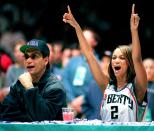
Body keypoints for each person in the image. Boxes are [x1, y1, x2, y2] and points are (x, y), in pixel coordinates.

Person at [63, 4, 147, 122]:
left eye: (122, 58)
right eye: (114, 57)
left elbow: (137, 59)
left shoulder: (137, 89)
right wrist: (76, 27)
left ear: (129, 63)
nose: (116, 60)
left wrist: (134, 30)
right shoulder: (106, 86)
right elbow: (89, 56)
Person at [0, 39, 67, 122]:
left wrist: (30, 88)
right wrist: (29, 116)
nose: (28, 60)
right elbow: (5, 113)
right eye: (26, 57)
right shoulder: (20, 84)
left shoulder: (55, 87)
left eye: (34, 56)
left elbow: (43, 120)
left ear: (45, 60)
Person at [62, 27, 100, 119]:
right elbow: (64, 80)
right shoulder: (72, 61)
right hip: (71, 105)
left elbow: (99, 85)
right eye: (81, 37)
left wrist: (83, 99)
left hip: (90, 105)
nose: (82, 40)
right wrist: (72, 100)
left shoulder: (100, 63)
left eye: (85, 38)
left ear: (94, 42)